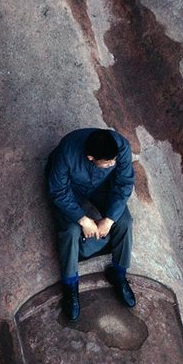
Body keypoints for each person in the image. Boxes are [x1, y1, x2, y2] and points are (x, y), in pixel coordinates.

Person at [46, 128, 137, 320]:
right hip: (70, 189)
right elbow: (58, 191)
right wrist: (83, 219)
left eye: (113, 160)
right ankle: (70, 285)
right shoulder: (66, 153)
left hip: (100, 186)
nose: (113, 164)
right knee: (70, 231)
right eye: (108, 163)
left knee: (125, 221)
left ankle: (119, 274)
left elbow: (124, 183)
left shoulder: (120, 148)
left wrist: (109, 219)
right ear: (90, 157)